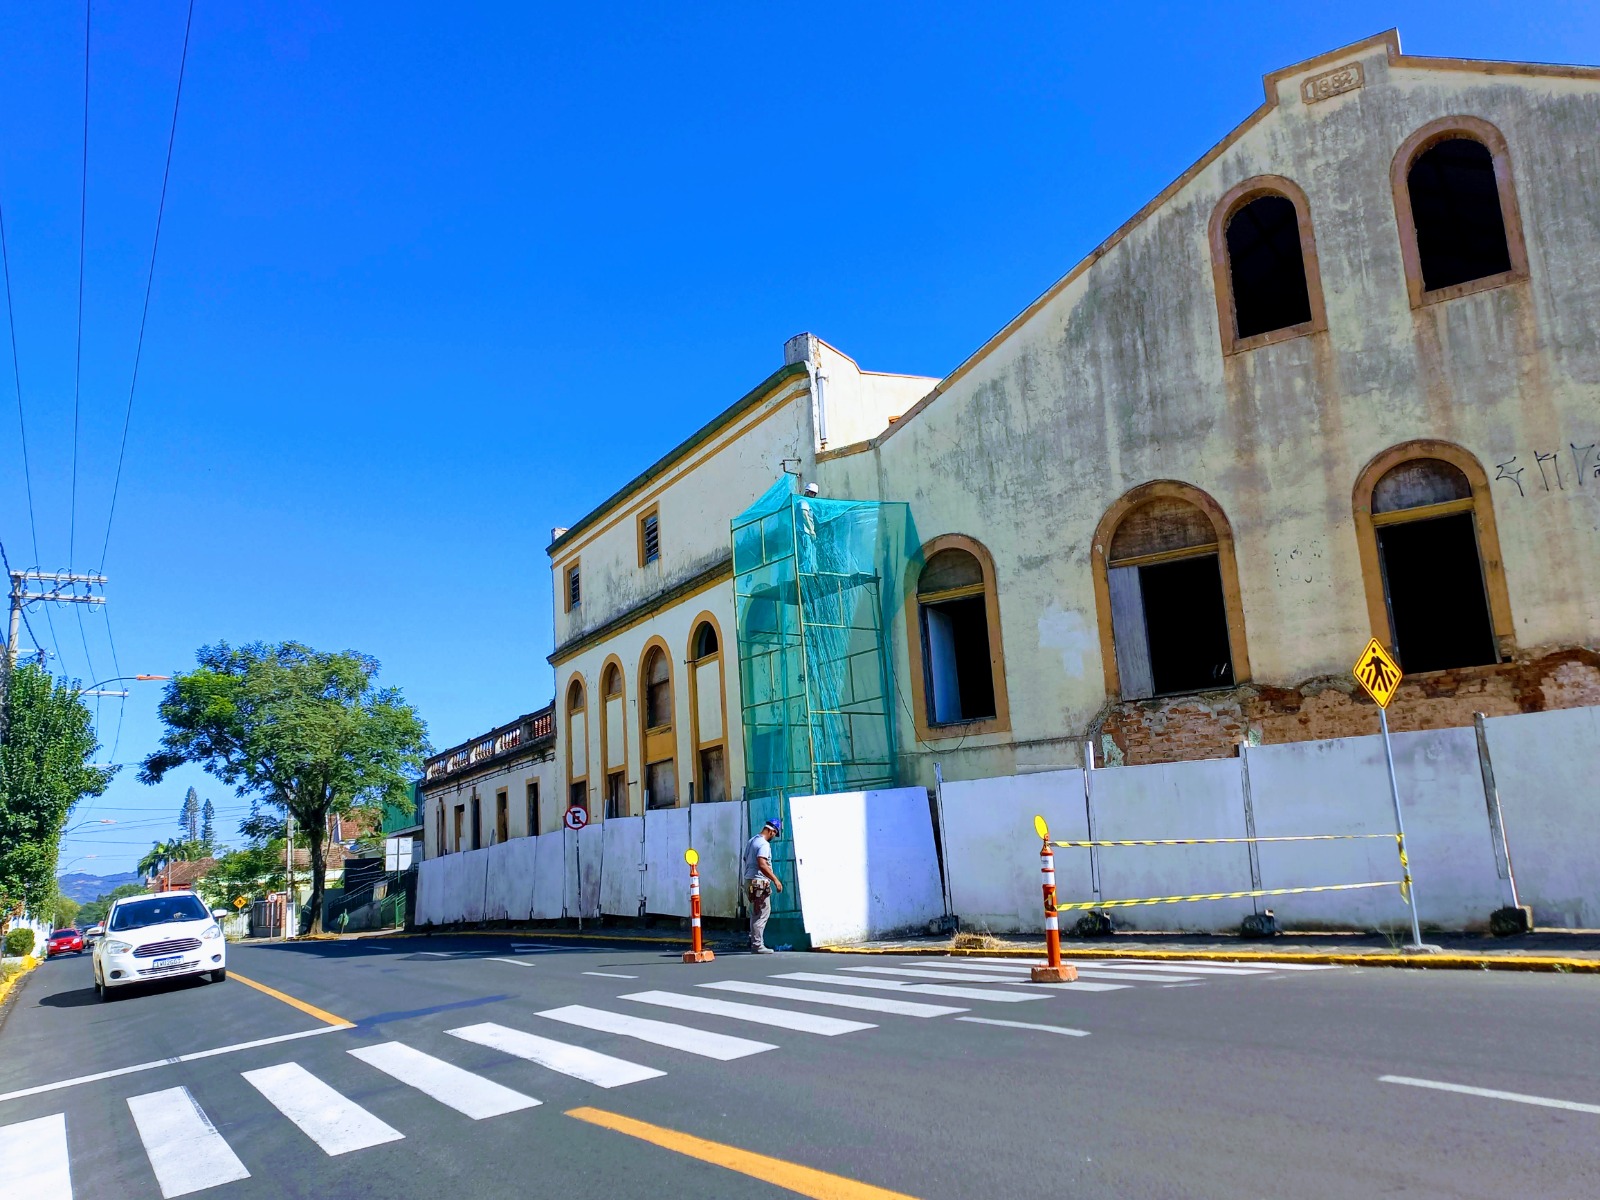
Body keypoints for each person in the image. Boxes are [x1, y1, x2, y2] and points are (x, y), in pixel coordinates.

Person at [742, 818, 784, 953]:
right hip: (759, 882)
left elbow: (745, 858)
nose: (774, 836)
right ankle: (757, 945)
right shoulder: (764, 844)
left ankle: (753, 939)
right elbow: (762, 864)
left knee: (755, 911)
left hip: (749, 880)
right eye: (775, 833)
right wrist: (775, 880)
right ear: (771, 831)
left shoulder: (752, 840)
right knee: (762, 913)